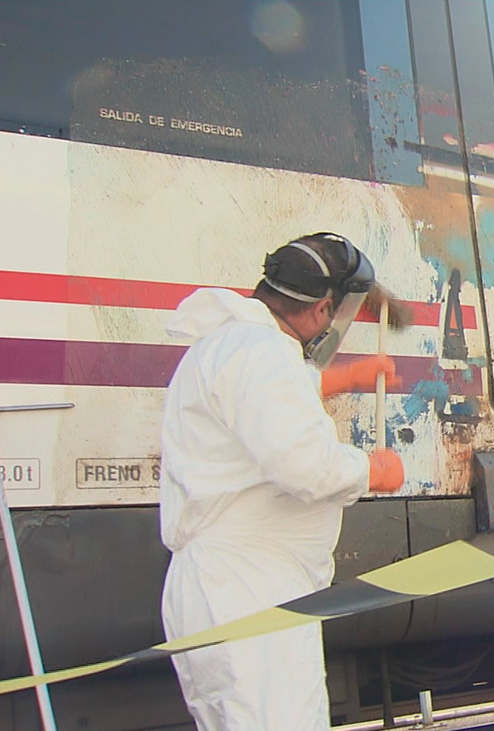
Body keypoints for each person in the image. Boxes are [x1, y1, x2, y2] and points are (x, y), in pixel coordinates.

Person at [158, 232, 405, 730]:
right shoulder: (265, 351)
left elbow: (264, 402)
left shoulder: (226, 344)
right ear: (320, 309)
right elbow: (305, 466)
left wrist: (346, 378)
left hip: (219, 589)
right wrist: (373, 471)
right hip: (250, 590)